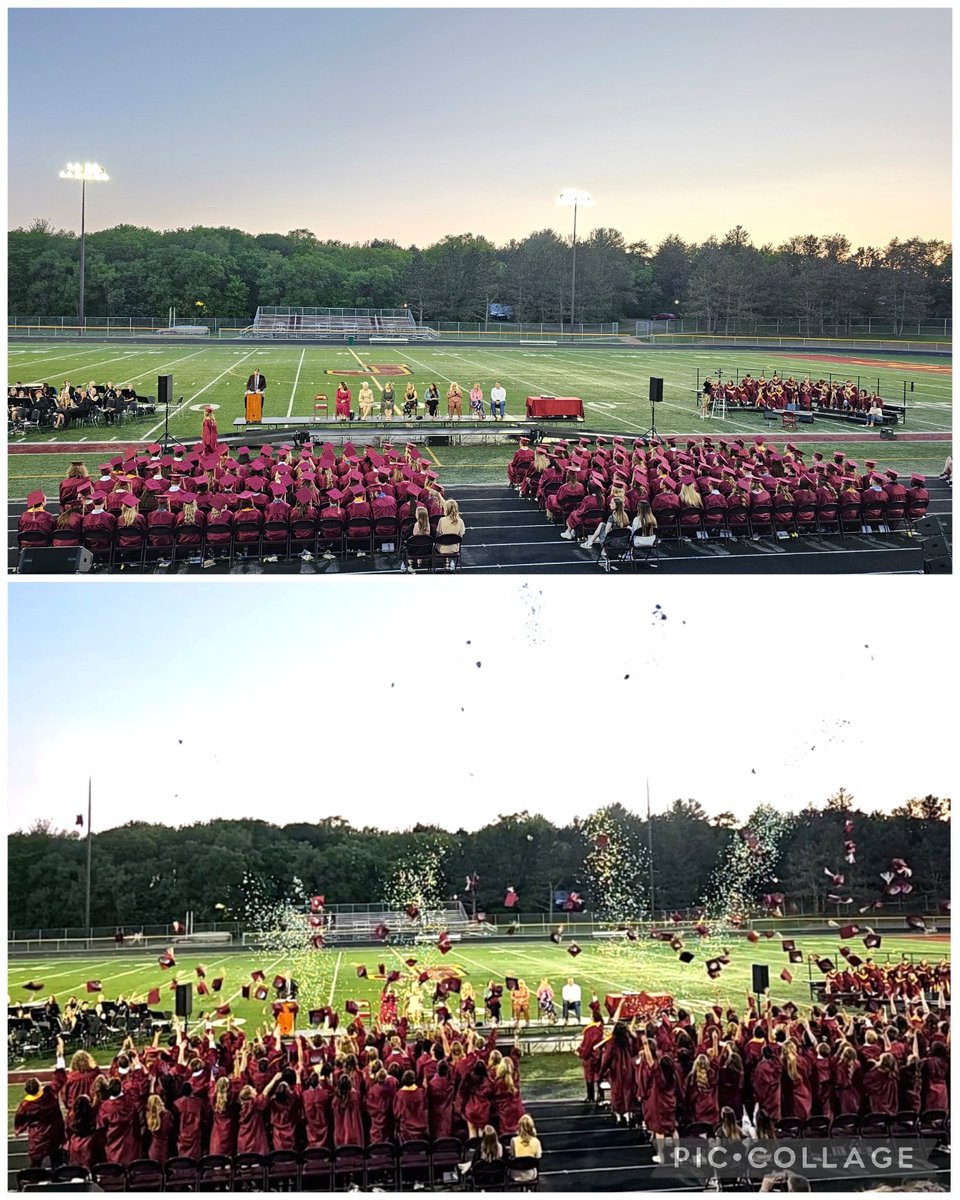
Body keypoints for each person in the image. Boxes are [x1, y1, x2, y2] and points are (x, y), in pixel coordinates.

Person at [509, 1114, 542, 1185]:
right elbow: (538, 1157)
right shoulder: (536, 1141)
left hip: (516, 1174)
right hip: (530, 1174)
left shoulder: (514, 1140)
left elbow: (512, 1156)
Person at [435, 498, 465, 567]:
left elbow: (438, 534)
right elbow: (461, 536)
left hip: (442, 549)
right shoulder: (460, 521)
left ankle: (446, 561)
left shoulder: (442, 520)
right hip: (454, 548)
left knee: (442, 540)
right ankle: (447, 562)